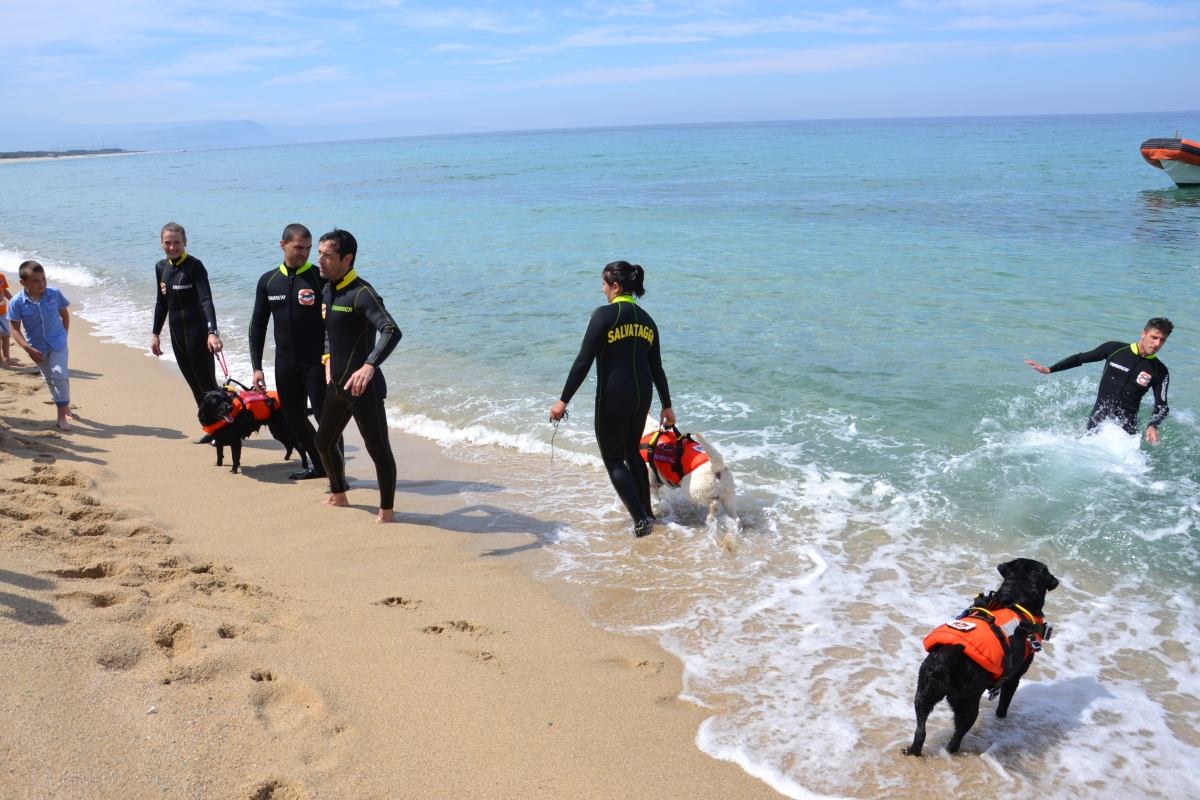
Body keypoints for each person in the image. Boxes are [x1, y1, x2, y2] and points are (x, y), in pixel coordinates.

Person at [550, 261, 674, 539]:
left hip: (614, 396)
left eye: (604, 285)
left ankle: (640, 520)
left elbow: (583, 360)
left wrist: (563, 401)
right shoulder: (648, 320)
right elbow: (657, 367)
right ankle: (647, 512)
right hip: (642, 396)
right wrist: (667, 405)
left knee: (614, 459)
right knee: (632, 452)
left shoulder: (605, 315)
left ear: (616, 287)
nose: (602, 289)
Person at [313, 229, 402, 523]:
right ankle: (339, 495)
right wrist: (327, 358)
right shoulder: (329, 289)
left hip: (364, 388)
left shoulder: (362, 293)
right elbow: (330, 332)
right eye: (319, 253)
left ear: (347, 259)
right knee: (323, 443)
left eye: (327, 255)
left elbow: (391, 330)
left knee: (378, 450)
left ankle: (386, 511)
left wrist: (369, 365)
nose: (319, 260)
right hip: (337, 385)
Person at [249, 223, 328, 480]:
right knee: (294, 418)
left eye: (308, 248)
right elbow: (257, 324)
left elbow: (335, 323)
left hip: (316, 362)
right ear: (283, 245)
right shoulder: (269, 281)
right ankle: (320, 465)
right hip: (285, 362)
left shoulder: (319, 278)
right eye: (298, 248)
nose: (304, 253)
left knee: (326, 419)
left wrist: (333, 358)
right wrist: (257, 367)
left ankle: (337, 474)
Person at [1025, 317, 1173, 443]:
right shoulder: (1115, 349)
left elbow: (1162, 407)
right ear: (1143, 334)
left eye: (1162, 340)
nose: (1157, 344)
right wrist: (1049, 369)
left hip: (1126, 431)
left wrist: (1153, 425)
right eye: (1154, 337)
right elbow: (1079, 359)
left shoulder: (1159, 370)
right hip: (1098, 420)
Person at [150, 222, 223, 431]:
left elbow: (206, 300)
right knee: (194, 387)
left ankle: (224, 429)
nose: (172, 247)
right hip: (177, 335)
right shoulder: (161, 267)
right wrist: (155, 333)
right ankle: (210, 428)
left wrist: (212, 332)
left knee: (208, 385)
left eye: (177, 242)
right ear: (161, 243)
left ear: (185, 242)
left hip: (197, 334)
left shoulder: (194, 266)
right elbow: (161, 302)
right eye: (168, 242)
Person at [7, 261, 72, 431]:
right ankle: (63, 403)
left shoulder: (54, 293)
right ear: (23, 282)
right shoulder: (16, 302)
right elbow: (14, 329)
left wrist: (64, 336)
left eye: (43, 278)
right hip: (36, 348)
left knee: (59, 374)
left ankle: (61, 415)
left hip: (58, 343)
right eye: (36, 281)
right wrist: (27, 349)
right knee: (49, 378)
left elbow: (64, 315)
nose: (42, 283)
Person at [0, 267, 22, 366]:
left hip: (2, 312)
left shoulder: (1, 276)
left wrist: (12, 300)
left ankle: (6, 358)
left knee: (6, 335)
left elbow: (4, 290)